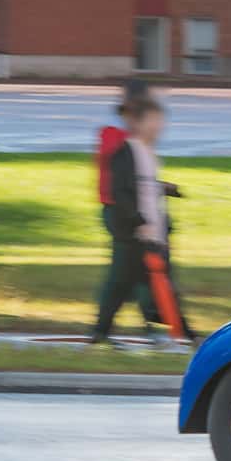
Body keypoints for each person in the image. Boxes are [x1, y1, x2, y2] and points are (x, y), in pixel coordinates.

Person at [91, 98, 191, 345]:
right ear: (139, 123)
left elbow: (143, 187)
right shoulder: (126, 151)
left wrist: (165, 191)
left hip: (150, 231)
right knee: (122, 285)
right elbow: (121, 191)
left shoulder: (147, 152)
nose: (159, 126)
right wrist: (139, 221)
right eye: (154, 120)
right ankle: (186, 335)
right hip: (134, 232)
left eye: (161, 121)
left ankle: (183, 333)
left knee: (151, 283)